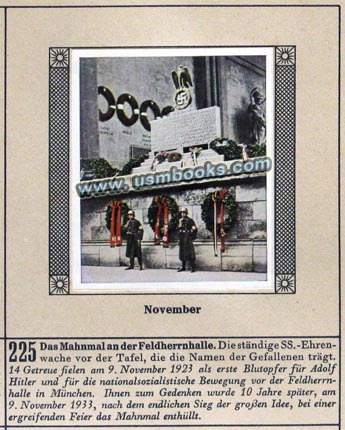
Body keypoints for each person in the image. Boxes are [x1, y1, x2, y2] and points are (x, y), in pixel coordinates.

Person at [177, 207, 197, 273]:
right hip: (182, 237)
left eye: (184, 213)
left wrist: (192, 234)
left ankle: (193, 267)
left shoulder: (190, 220)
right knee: (182, 252)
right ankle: (183, 267)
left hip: (188, 237)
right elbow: (178, 229)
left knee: (190, 252)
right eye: (182, 213)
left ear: (186, 213)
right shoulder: (180, 220)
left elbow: (194, 228)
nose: (183, 214)